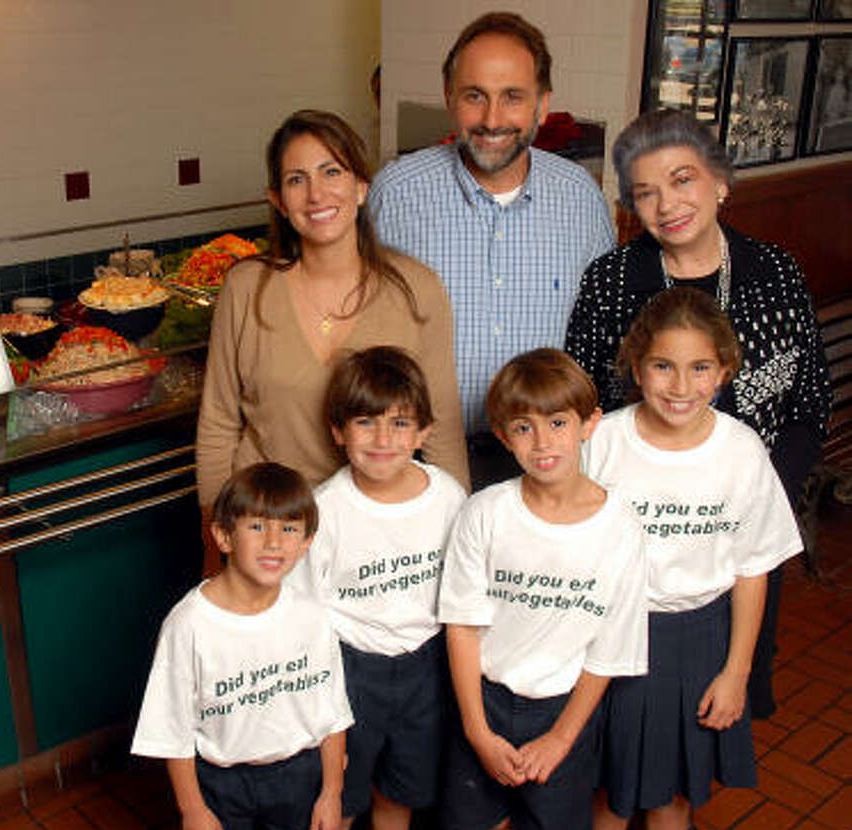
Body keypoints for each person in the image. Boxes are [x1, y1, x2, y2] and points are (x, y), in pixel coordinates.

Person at [564, 108, 830, 725]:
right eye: (646, 193)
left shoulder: (776, 275)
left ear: (720, 182)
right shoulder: (612, 281)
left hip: (737, 542)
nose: (667, 205)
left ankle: (678, 814)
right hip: (634, 543)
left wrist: (761, 502)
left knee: (719, 690)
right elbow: (581, 408)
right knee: (619, 700)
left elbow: (808, 403)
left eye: (682, 180)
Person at [555, 289, 803, 830]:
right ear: (637, 366)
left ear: (724, 370)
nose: (681, 385)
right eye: (664, 366)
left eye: (700, 368)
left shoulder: (741, 450)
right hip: (613, 633)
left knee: (671, 787)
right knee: (612, 776)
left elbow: (753, 568)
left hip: (699, 636)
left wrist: (737, 670)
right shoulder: (603, 440)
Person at [196, 109, 469, 568]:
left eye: (332, 172)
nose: (316, 193)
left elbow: (440, 425)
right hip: (267, 534)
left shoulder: (417, 290)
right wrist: (212, 547)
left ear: (362, 187)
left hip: (378, 536)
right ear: (278, 200)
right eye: (296, 180)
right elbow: (219, 423)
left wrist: (461, 542)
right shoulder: (246, 287)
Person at [438, 350, 649, 830]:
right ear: (504, 437)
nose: (543, 442)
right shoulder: (484, 513)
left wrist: (561, 738)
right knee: (489, 815)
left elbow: (610, 651)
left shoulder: (621, 529)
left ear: (589, 424)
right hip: (484, 698)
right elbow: (461, 626)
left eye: (558, 423)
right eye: (524, 428)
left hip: (564, 708)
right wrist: (478, 732)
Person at [369, 12, 614, 489]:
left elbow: (601, 334)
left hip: (545, 463)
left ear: (543, 105)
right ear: (449, 98)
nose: (492, 119)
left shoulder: (580, 198)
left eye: (513, 97)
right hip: (419, 459)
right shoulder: (394, 194)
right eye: (474, 96)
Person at [289, 347, 468, 830]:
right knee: (338, 793)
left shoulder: (447, 497)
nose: (383, 439)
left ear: (424, 431)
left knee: (401, 784)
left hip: (423, 662)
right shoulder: (326, 509)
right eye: (365, 422)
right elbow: (303, 613)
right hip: (350, 668)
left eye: (399, 423)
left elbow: (463, 588)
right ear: (338, 431)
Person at [131, 462, 353, 830]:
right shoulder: (189, 625)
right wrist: (192, 808)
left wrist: (331, 793)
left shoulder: (312, 618)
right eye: (257, 526)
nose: (274, 543)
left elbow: (332, 715)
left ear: (308, 541)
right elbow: (171, 729)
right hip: (221, 779)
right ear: (224, 537)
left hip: (297, 773)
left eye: (290, 528)